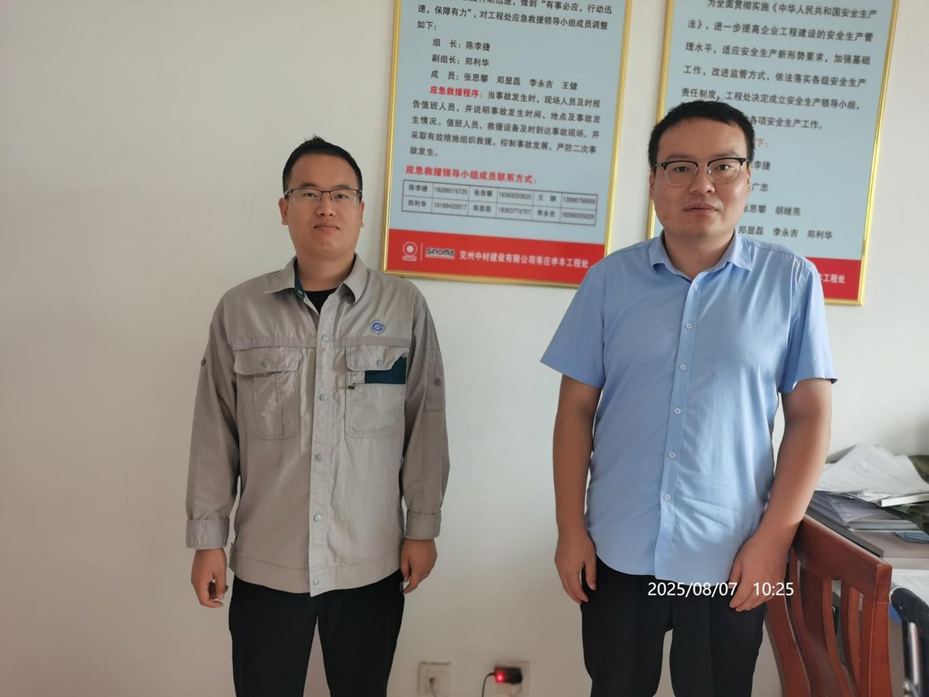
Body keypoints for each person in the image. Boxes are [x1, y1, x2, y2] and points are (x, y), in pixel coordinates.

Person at [542, 100, 835, 696]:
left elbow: (809, 417)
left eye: (722, 165)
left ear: (748, 177)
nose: (702, 184)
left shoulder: (791, 281)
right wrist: (570, 528)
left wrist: (774, 539)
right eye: (679, 167)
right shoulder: (609, 281)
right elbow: (575, 411)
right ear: (654, 182)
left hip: (732, 553)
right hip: (617, 547)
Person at [185, 137, 450, 697]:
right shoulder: (240, 310)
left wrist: (422, 528)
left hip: (369, 561)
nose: (325, 207)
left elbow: (424, 422)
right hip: (267, 560)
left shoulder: (403, 307)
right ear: (285, 208)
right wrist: (208, 539)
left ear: (361, 210)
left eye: (341, 194)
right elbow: (215, 430)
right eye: (308, 193)